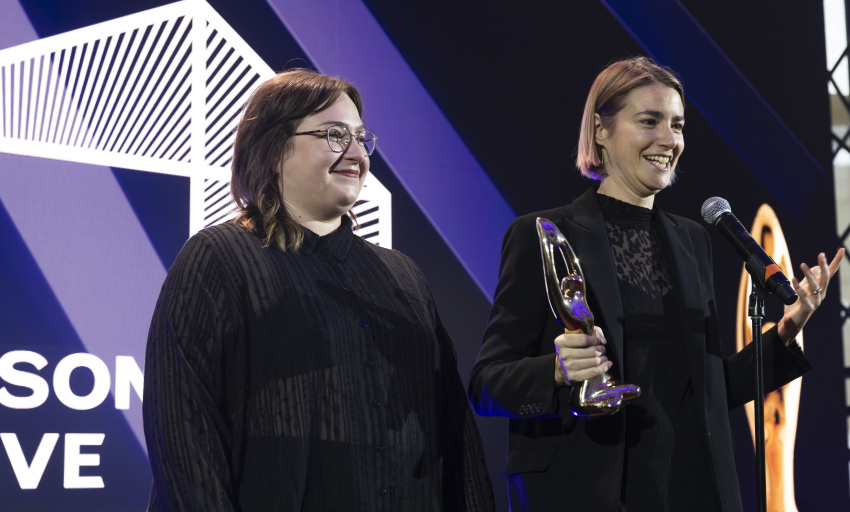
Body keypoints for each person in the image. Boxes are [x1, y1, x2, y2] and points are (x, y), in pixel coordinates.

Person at [468, 56, 844, 512]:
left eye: (678, 125)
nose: (669, 140)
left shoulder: (693, 241)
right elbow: (486, 385)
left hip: (689, 491)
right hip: (586, 493)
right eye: (649, 121)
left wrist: (785, 333)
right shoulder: (544, 233)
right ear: (601, 130)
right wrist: (555, 371)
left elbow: (704, 392)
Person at [143, 69, 495, 511]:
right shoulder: (218, 257)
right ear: (273, 151)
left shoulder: (403, 275)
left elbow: (454, 433)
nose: (355, 153)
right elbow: (182, 429)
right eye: (333, 135)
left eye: (361, 138)